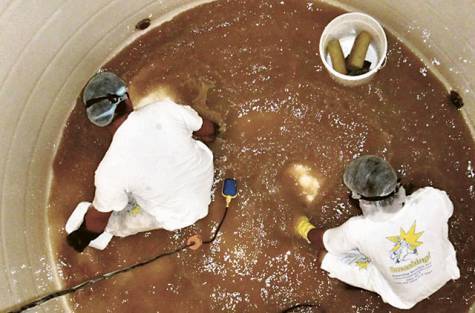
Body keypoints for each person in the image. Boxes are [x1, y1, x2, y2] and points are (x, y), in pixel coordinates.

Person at [65, 71, 217, 252]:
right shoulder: (165, 109)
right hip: (206, 176)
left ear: (98, 121)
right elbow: (209, 131)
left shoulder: (109, 170)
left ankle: (117, 208)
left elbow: (97, 222)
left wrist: (81, 237)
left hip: (178, 216)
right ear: (127, 98)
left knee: (116, 223)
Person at [295, 155, 460, 309]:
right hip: (446, 270)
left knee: (325, 258)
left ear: (357, 195)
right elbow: (446, 210)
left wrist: (299, 224)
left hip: (403, 297)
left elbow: (324, 242)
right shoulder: (433, 198)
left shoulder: (358, 229)